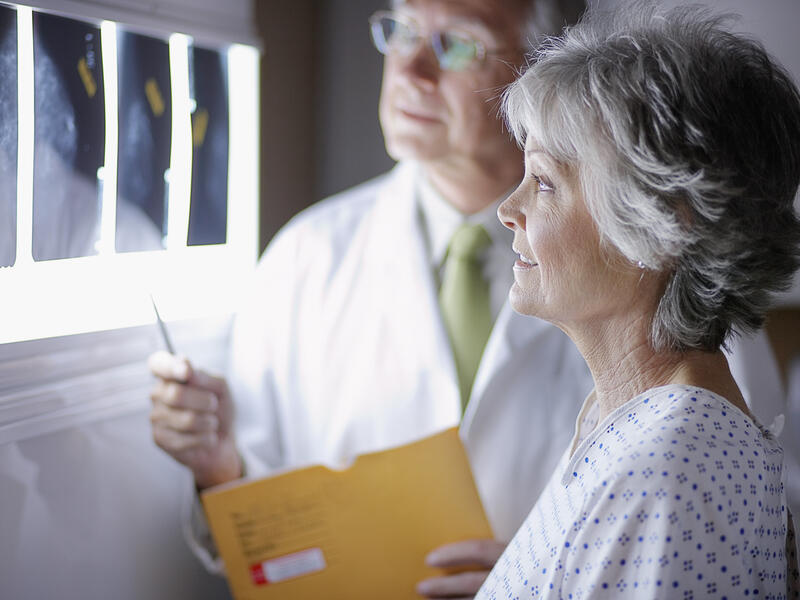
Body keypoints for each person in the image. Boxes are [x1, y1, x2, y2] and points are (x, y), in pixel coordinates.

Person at [148, 0, 787, 597]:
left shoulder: (675, 448)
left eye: (455, 43)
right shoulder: (305, 256)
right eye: (398, 29)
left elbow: (734, 531)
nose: (409, 65)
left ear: (656, 222)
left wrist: (559, 570)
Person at [477, 3, 800, 597]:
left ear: (661, 224)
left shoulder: (673, 467)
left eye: (545, 182)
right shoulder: (629, 421)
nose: (508, 209)